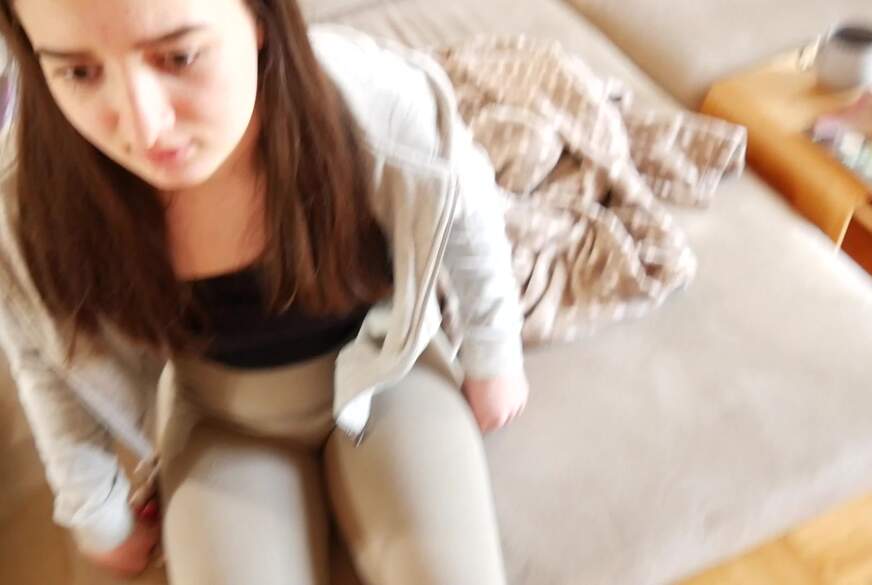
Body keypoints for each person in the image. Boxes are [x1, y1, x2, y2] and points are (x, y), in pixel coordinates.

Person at [0, 0, 529, 583]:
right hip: (223, 423)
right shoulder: (31, 204)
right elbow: (45, 353)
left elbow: (466, 207)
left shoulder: (373, 100)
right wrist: (92, 504)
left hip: (389, 376)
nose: (144, 126)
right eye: (79, 72)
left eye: (180, 56)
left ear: (259, 17)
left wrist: (494, 353)